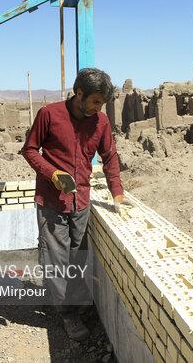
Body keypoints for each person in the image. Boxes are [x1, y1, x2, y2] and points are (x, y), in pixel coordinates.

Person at [22, 68, 124, 340]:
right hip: (52, 202)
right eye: (95, 102)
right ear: (79, 93)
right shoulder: (49, 115)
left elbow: (110, 156)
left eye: (102, 104)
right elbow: (29, 150)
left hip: (81, 201)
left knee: (77, 256)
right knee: (57, 259)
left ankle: (75, 304)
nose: (98, 108)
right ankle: (67, 314)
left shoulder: (100, 122)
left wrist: (118, 193)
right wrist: (52, 173)